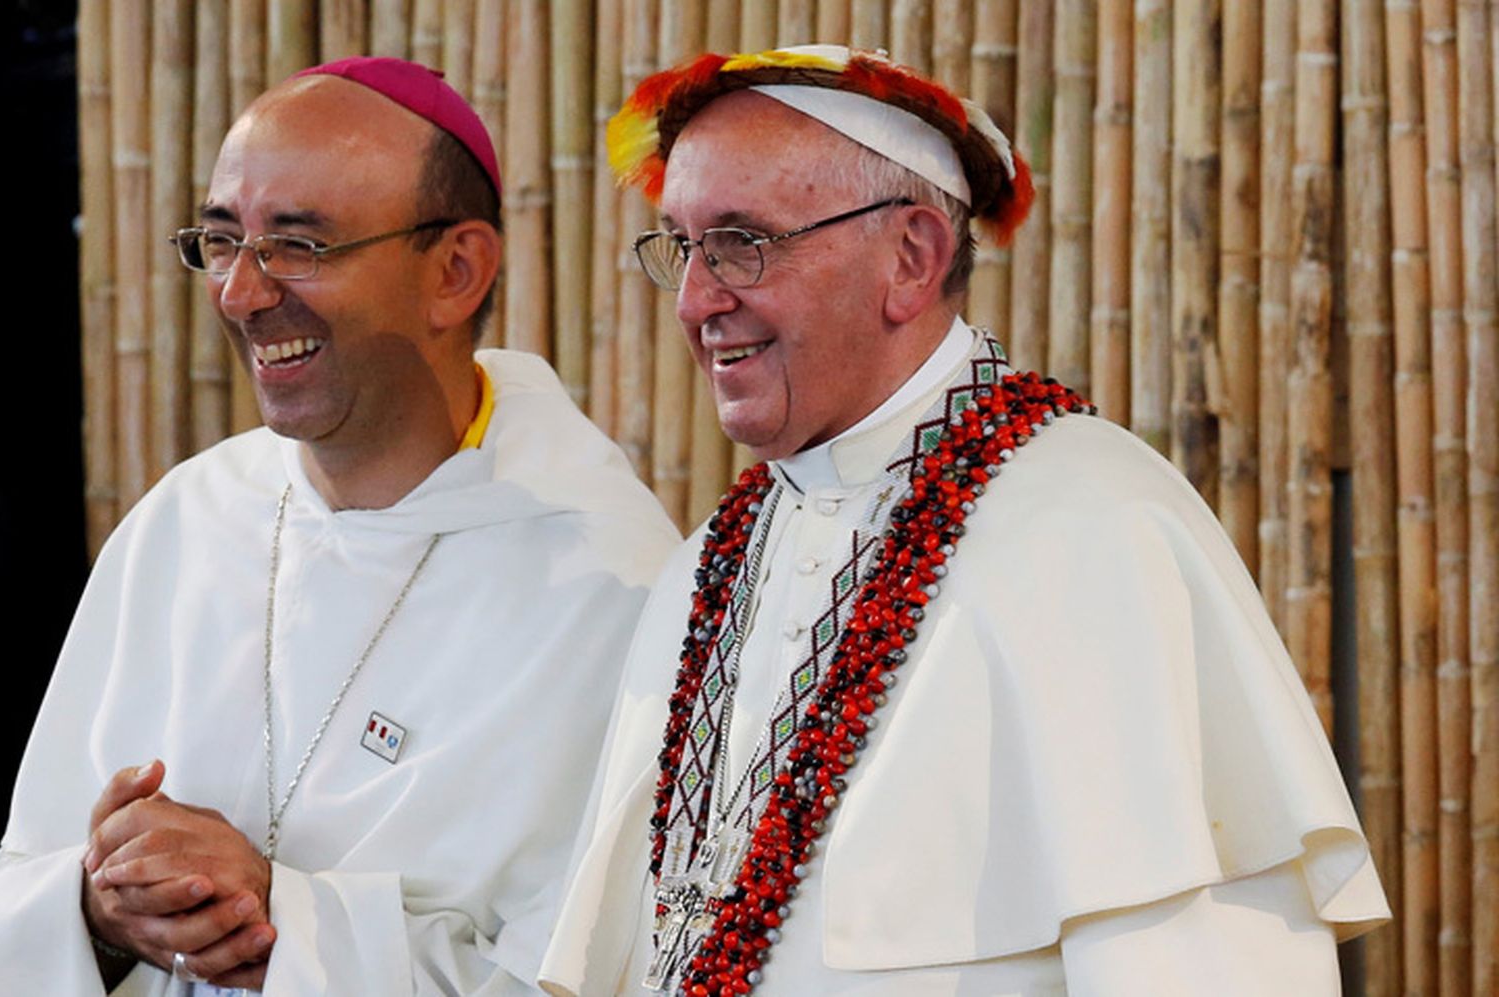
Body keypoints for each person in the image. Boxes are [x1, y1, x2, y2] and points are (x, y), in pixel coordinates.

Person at [539, 45, 1390, 996]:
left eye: (744, 242)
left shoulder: (1097, 530)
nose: (698, 299)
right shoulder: (714, 556)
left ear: (912, 256)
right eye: (683, 248)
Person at [0, 56, 679, 995]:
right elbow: (9, 897)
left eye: (300, 246)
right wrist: (96, 913)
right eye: (222, 242)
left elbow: (605, 978)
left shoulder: (612, 587)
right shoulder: (185, 518)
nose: (241, 294)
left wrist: (272, 921)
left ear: (455, 272)